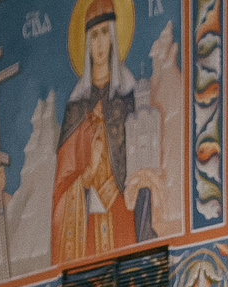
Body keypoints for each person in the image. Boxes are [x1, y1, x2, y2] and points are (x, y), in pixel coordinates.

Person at [52, 4, 155, 266]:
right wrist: (88, 173)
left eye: (104, 33)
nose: (99, 43)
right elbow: (62, 184)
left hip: (122, 211)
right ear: (87, 43)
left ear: (113, 37)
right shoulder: (76, 107)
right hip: (88, 219)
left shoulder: (127, 96)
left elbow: (141, 161)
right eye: (94, 36)